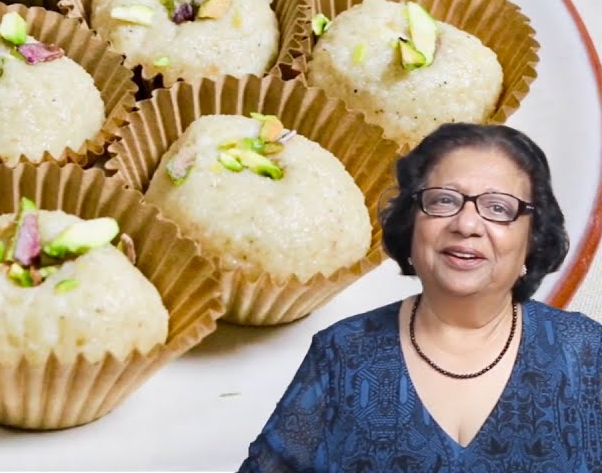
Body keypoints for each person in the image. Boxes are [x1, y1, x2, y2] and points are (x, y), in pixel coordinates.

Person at [240, 123, 602, 472]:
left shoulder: (584, 353)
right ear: (411, 225)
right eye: (444, 201)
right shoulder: (343, 353)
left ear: (533, 239)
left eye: (497, 208)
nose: (467, 224)